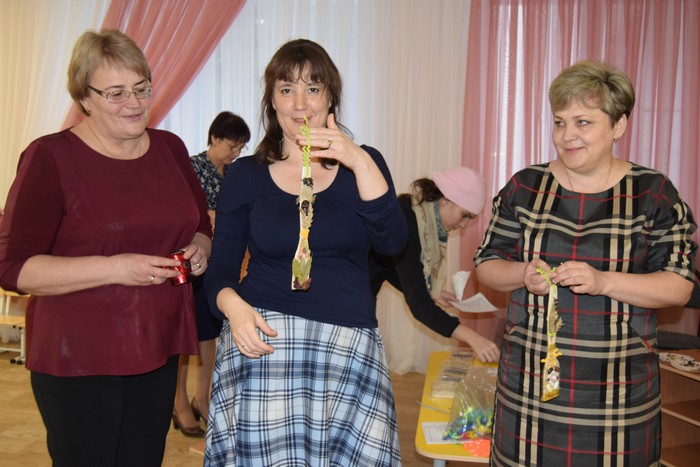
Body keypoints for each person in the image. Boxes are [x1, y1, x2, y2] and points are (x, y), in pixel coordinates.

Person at [0, 29, 212, 466]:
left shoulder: (170, 149)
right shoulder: (50, 157)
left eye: (141, 88)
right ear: (85, 97)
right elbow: (12, 267)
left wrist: (199, 247)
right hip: (79, 355)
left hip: (158, 345)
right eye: (116, 93)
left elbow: (199, 224)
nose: (134, 103)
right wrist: (115, 268)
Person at [473, 60, 697, 465]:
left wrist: (604, 281)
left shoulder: (653, 193)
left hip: (618, 390)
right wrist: (522, 273)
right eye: (560, 122)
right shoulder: (525, 187)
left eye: (583, 122)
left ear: (619, 125)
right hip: (530, 384)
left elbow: (680, 286)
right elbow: (486, 264)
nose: (567, 135)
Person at [203, 38, 408, 466]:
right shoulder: (246, 174)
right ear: (271, 100)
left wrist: (358, 160)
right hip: (263, 341)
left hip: (347, 344)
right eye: (286, 89)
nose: (300, 104)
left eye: (313, 88)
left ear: (330, 97)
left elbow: (392, 244)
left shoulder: (363, 163)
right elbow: (220, 270)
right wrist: (235, 309)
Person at [369, 167, 500, 363]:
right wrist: (472, 337)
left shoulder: (412, 212)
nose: (463, 225)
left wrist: (430, 292)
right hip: (341, 299)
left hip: (356, 297)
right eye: (465, 215)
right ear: (446, 199)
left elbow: (389, 267)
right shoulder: (406, 219)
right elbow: (419, 305)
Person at [173, 111, 251, 437]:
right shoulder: (192, 167)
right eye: (232, 146)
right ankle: (178, 403)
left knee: (210, 335)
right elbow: (180, 211)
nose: (236, 153)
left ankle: (202, 398)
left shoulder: (234, 173)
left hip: (220, 264)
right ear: (215, 138)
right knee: (185, 336)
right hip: (192, 260)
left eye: (241, 147)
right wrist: (210, 215)